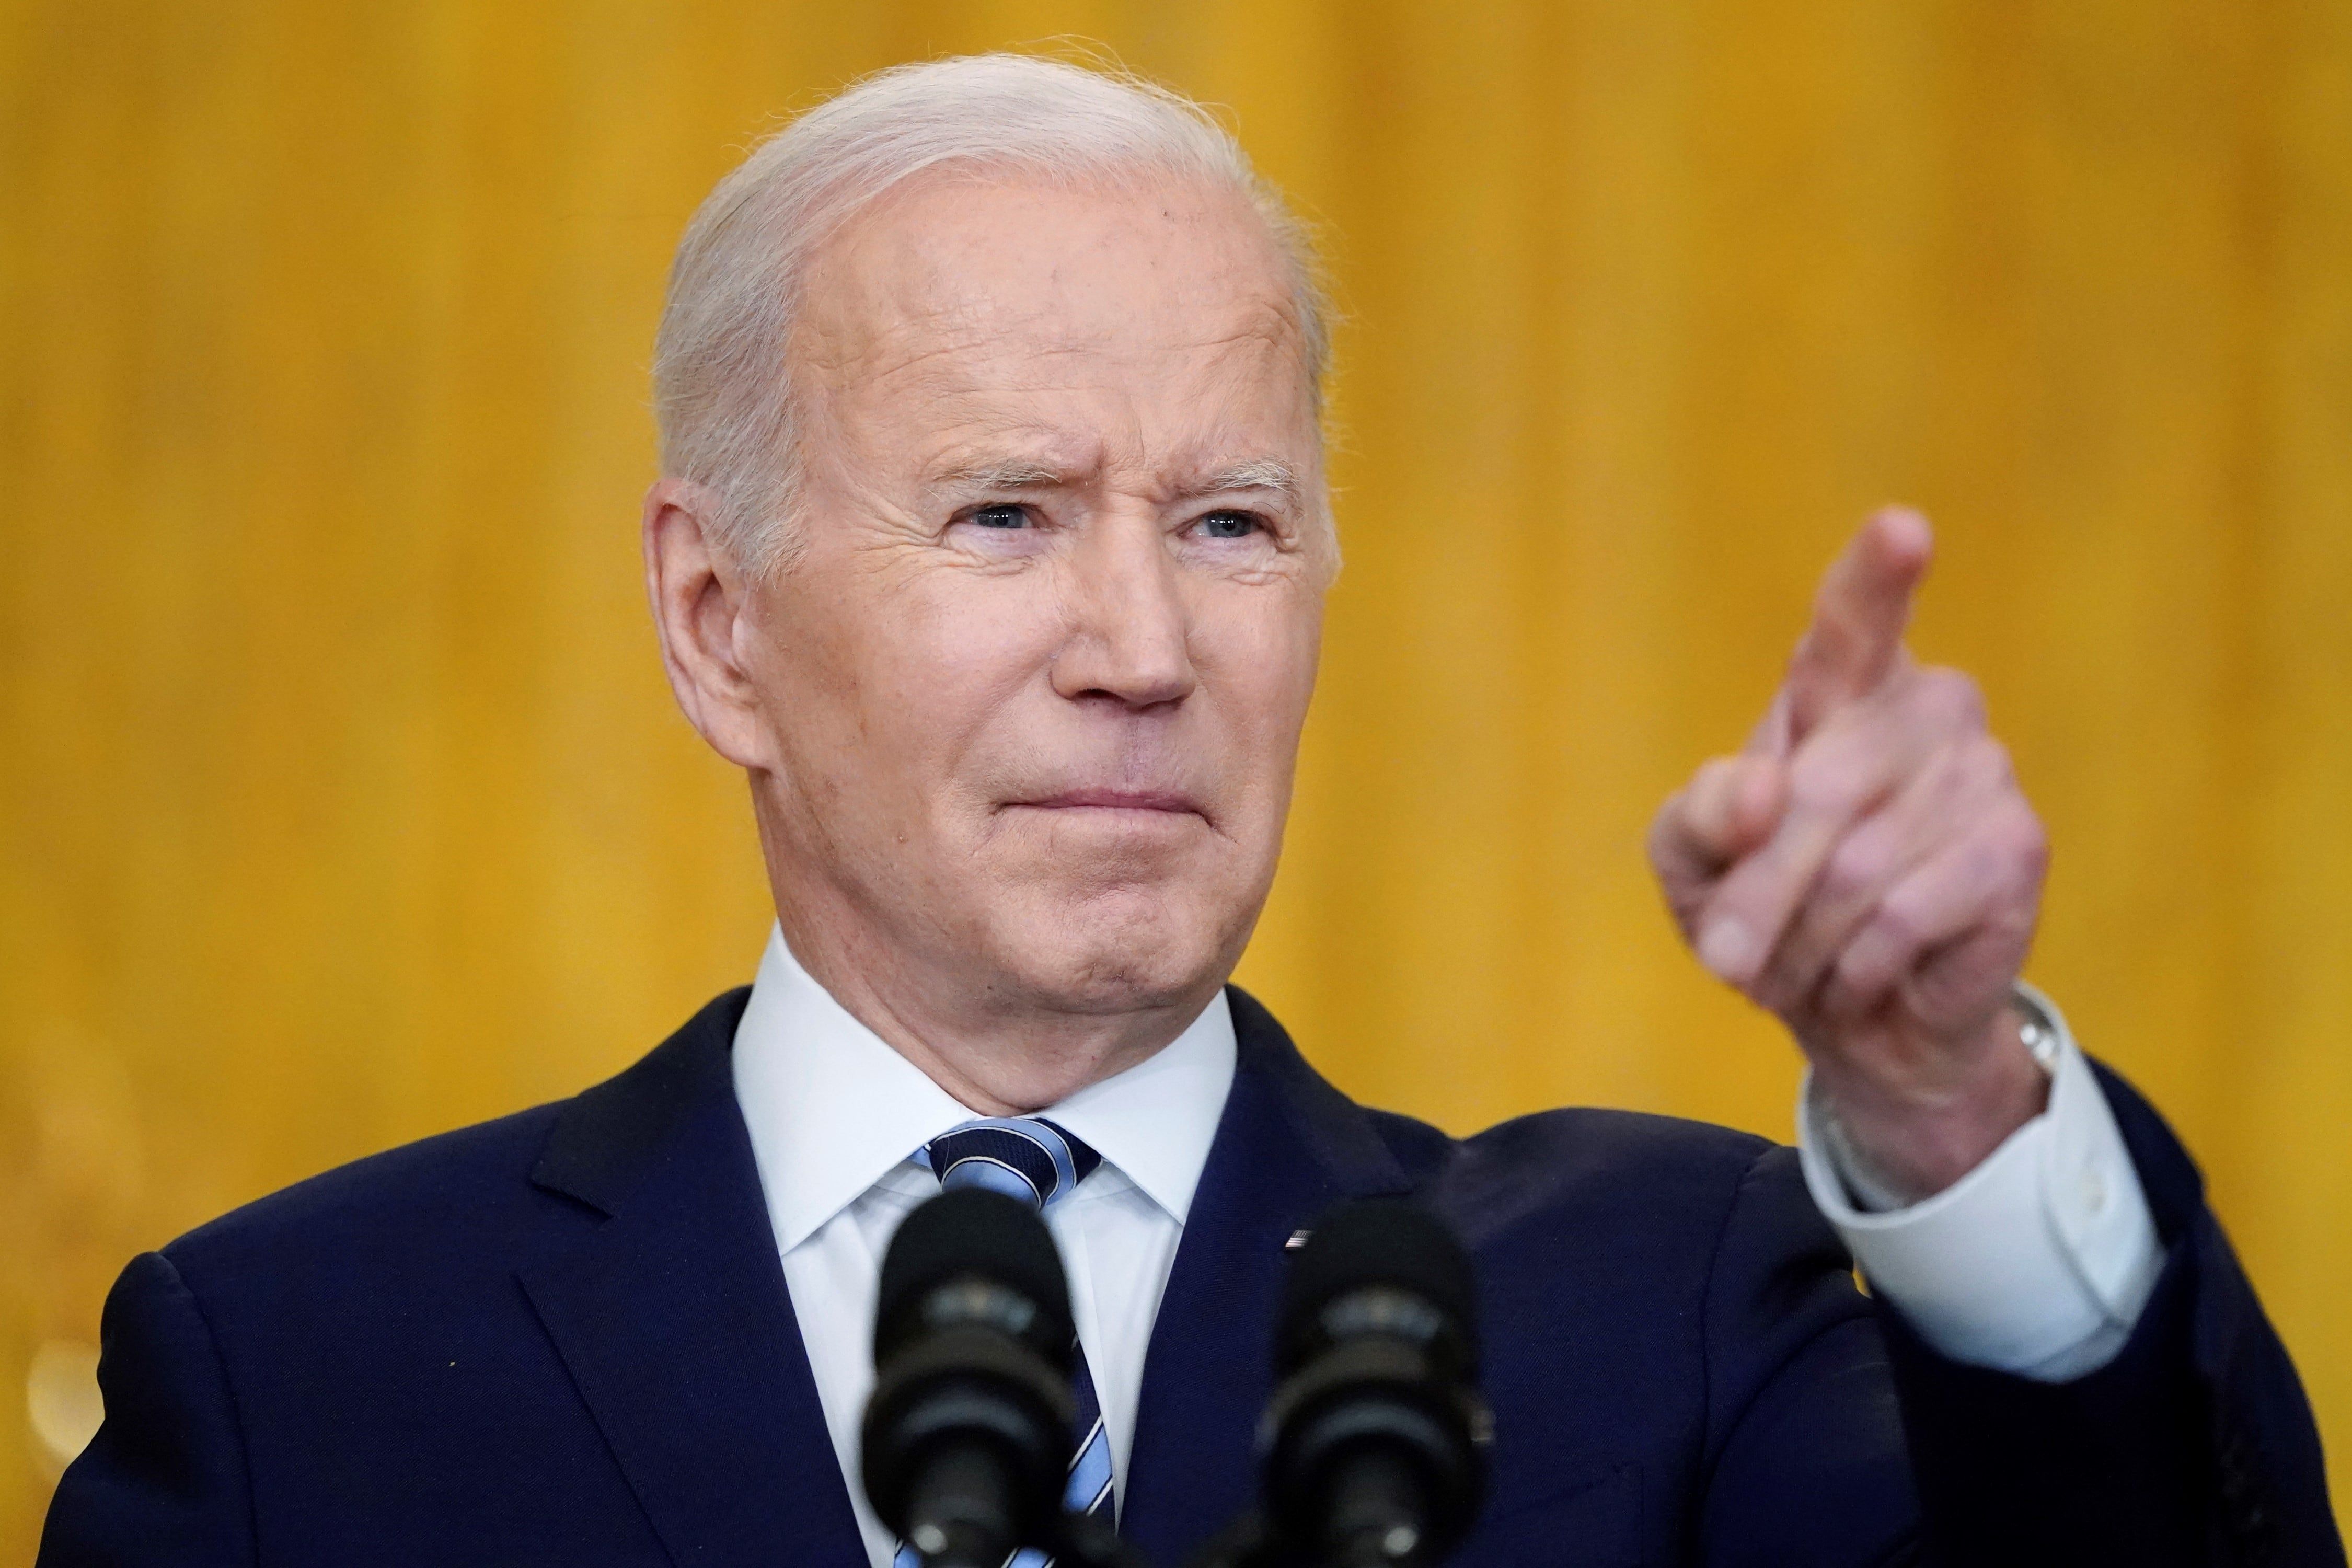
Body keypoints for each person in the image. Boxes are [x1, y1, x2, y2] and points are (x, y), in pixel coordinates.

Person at [38, 53, 2342, 1568]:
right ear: (716, 621)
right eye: (1008, 515)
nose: (1143, 643)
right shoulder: (304, 1380)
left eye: (1231, 524)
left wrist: (1945, 1102)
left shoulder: (1666, 1314)